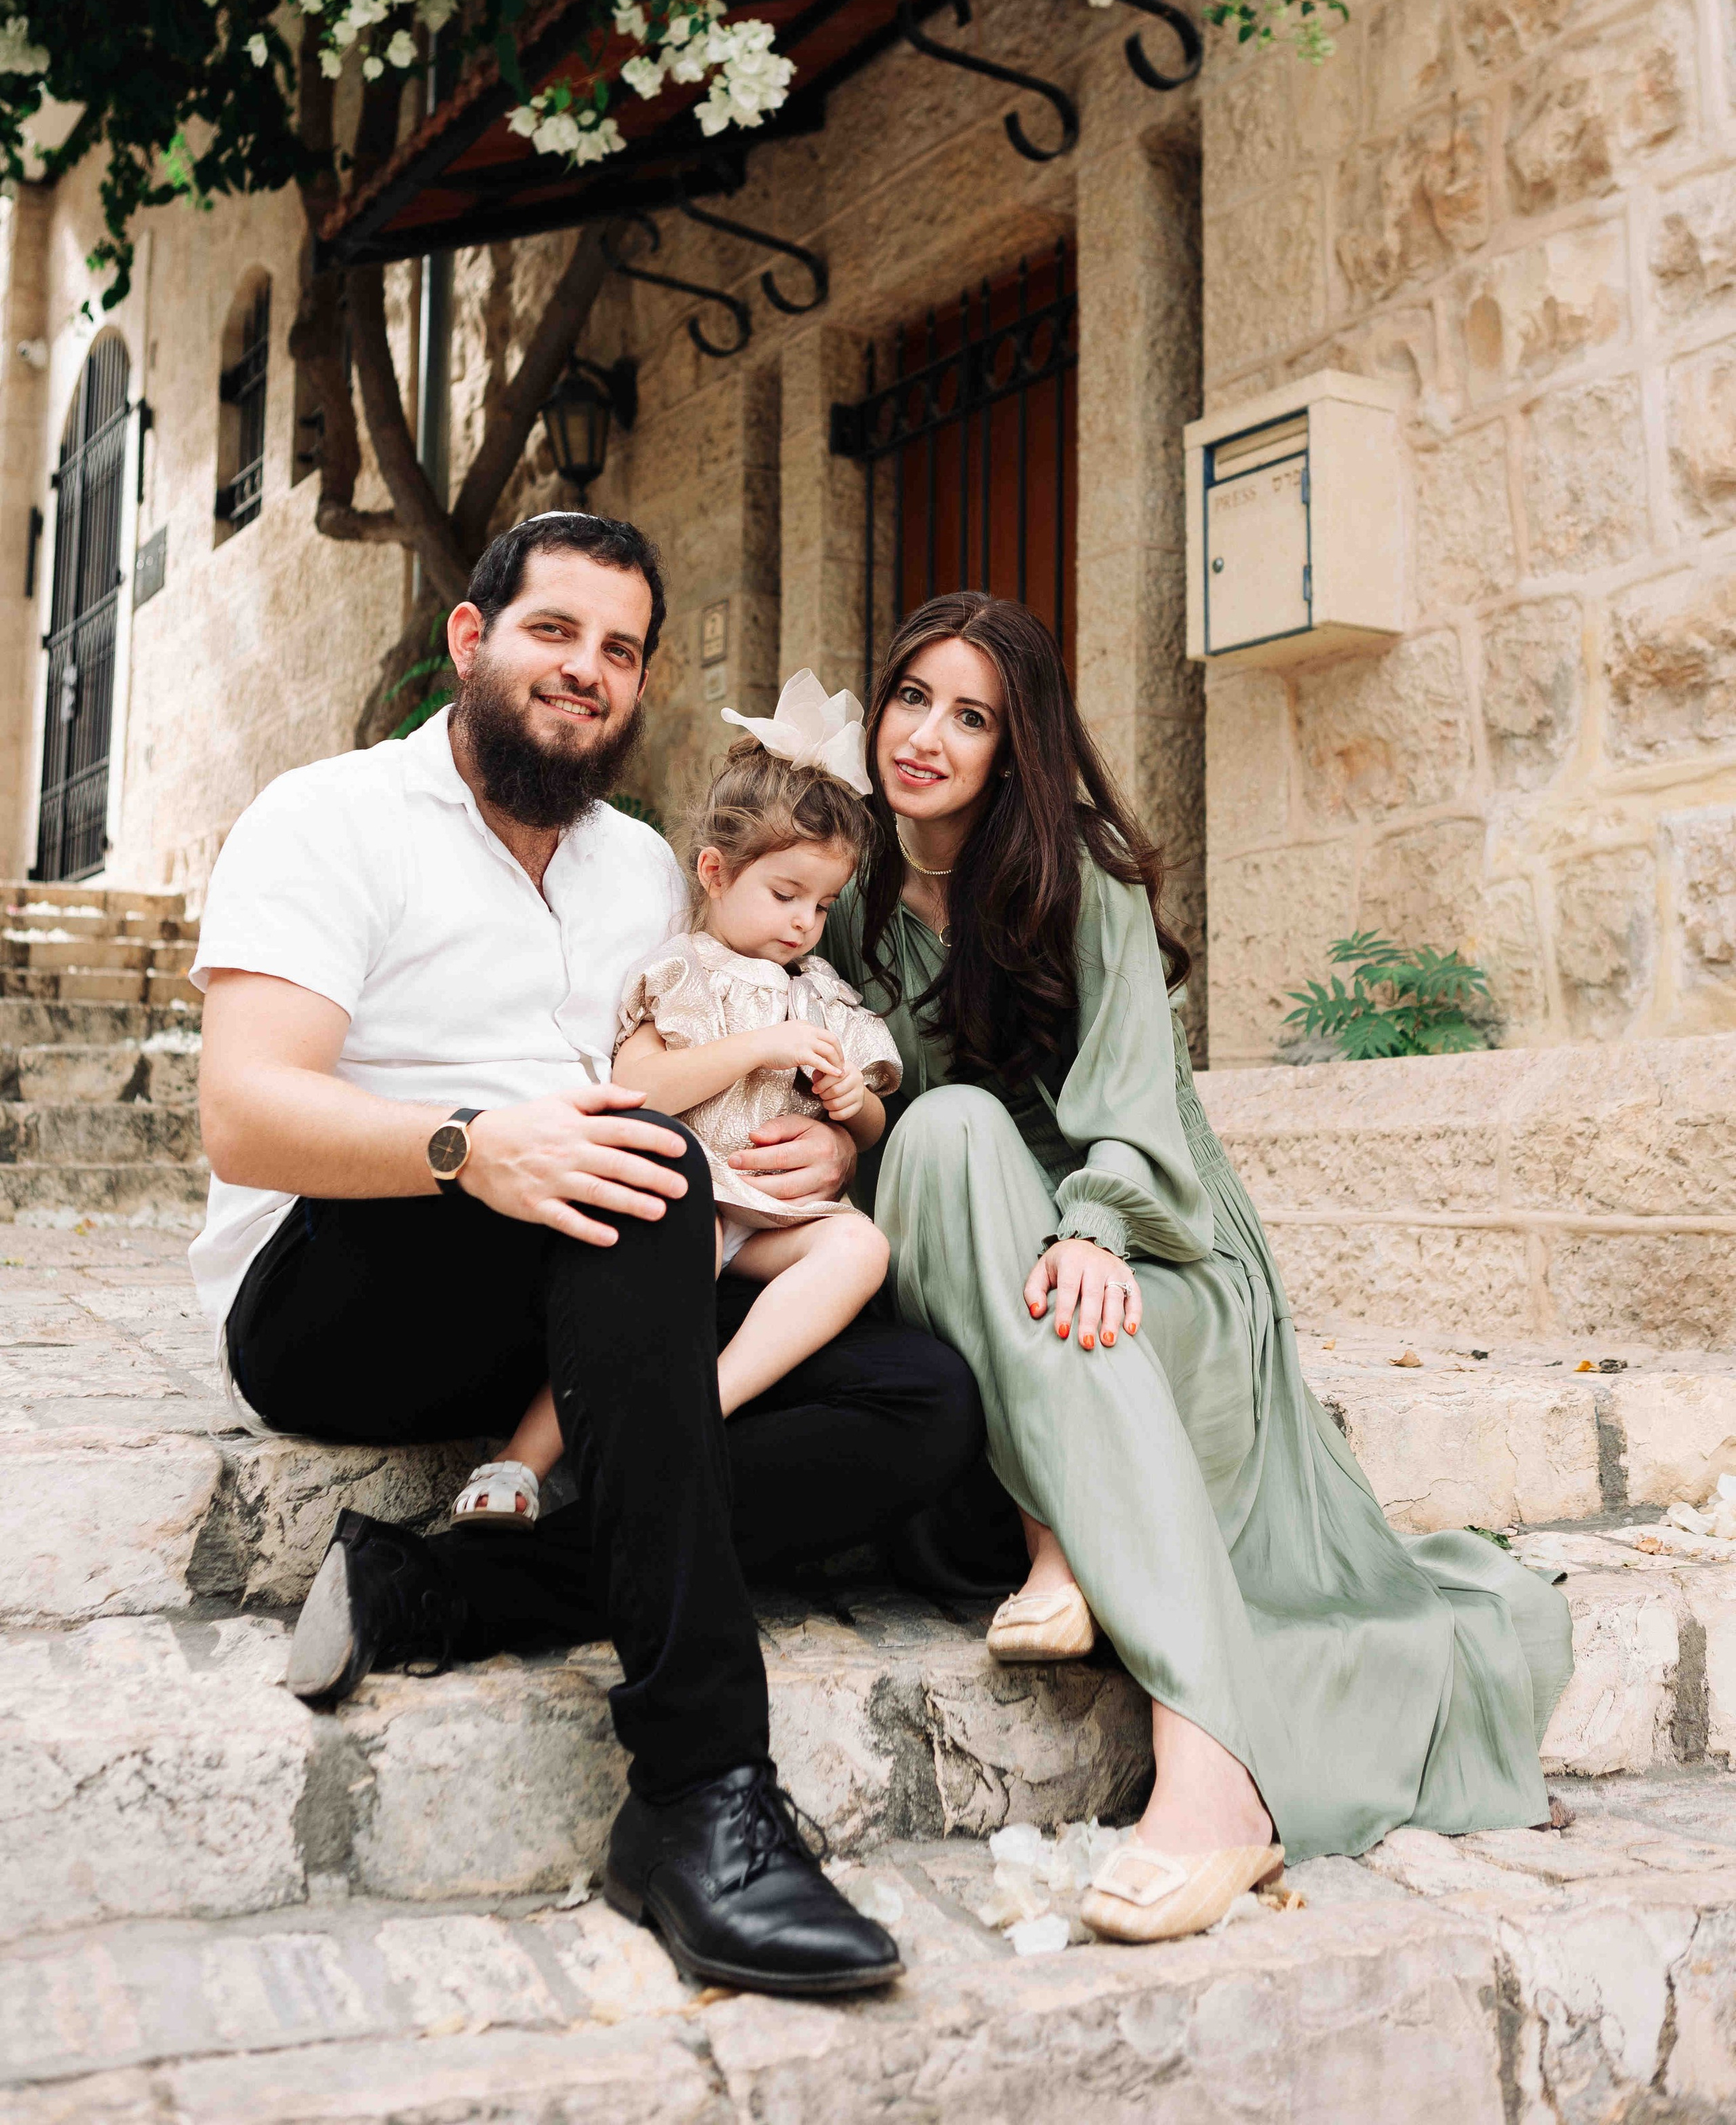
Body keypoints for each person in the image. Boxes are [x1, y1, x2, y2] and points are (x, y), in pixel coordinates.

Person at [189, 509, 983, 1997]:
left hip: (592, 1276)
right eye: (555, 633)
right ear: (471, 642)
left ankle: (440, 1591)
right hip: (345, 1277)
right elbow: (246, 1115)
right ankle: (695, 1793)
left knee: (917, 1403)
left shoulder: (641, 872)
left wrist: (836, 1143)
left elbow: (734, 1048)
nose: (587, 672)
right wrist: (470, 1145)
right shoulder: (329, 817)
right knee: (642, 1167)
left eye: (620, 651)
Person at [821, 589, 1575, 1947]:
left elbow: (1133, 1105)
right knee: (942, 1127)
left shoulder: (1080, 874)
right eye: (909, 697)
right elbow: (880, 1137)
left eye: (970, 714)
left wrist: (1094, 1226)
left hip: (1148, 1251)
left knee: (1062, 1283)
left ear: (1017, 746)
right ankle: (1058, 1546)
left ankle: (1209, 1771)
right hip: (975, 1256)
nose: (925, 735)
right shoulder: (846, 896)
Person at [449, 671, 901, 1525]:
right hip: (686, 1202)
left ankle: (704, 1402)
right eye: (785, 894)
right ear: (716, 872)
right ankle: (519, 1461)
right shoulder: (686, 970)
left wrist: (850, 1103)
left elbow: (874, 1117)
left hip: (770, 1214)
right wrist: (760, 1047)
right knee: (636, 1287)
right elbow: (639, 1086)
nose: (805, 922)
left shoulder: (822, 989)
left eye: (824, 903)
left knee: (861, 1251)